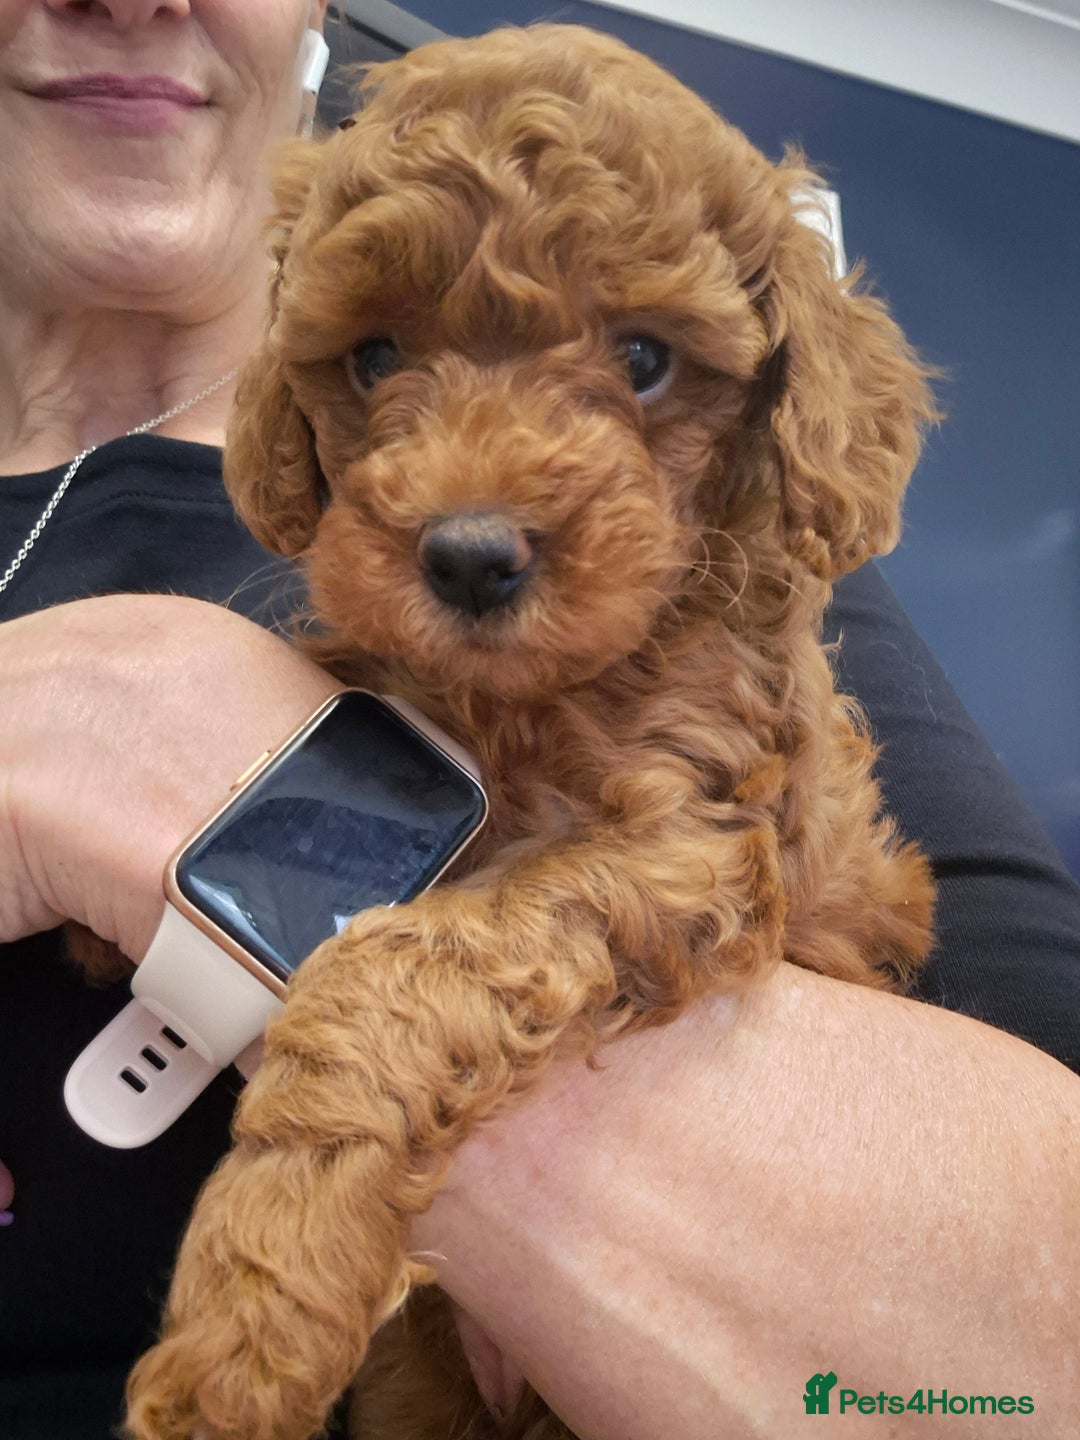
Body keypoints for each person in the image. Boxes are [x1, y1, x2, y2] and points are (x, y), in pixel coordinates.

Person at [0, 4, 1077, 1440]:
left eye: (638, 366)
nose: (472, 495)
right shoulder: (322, 539)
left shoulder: (727, 591)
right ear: (303, 387)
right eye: (379, 365)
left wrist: (209, 806)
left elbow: (1031, 1343)